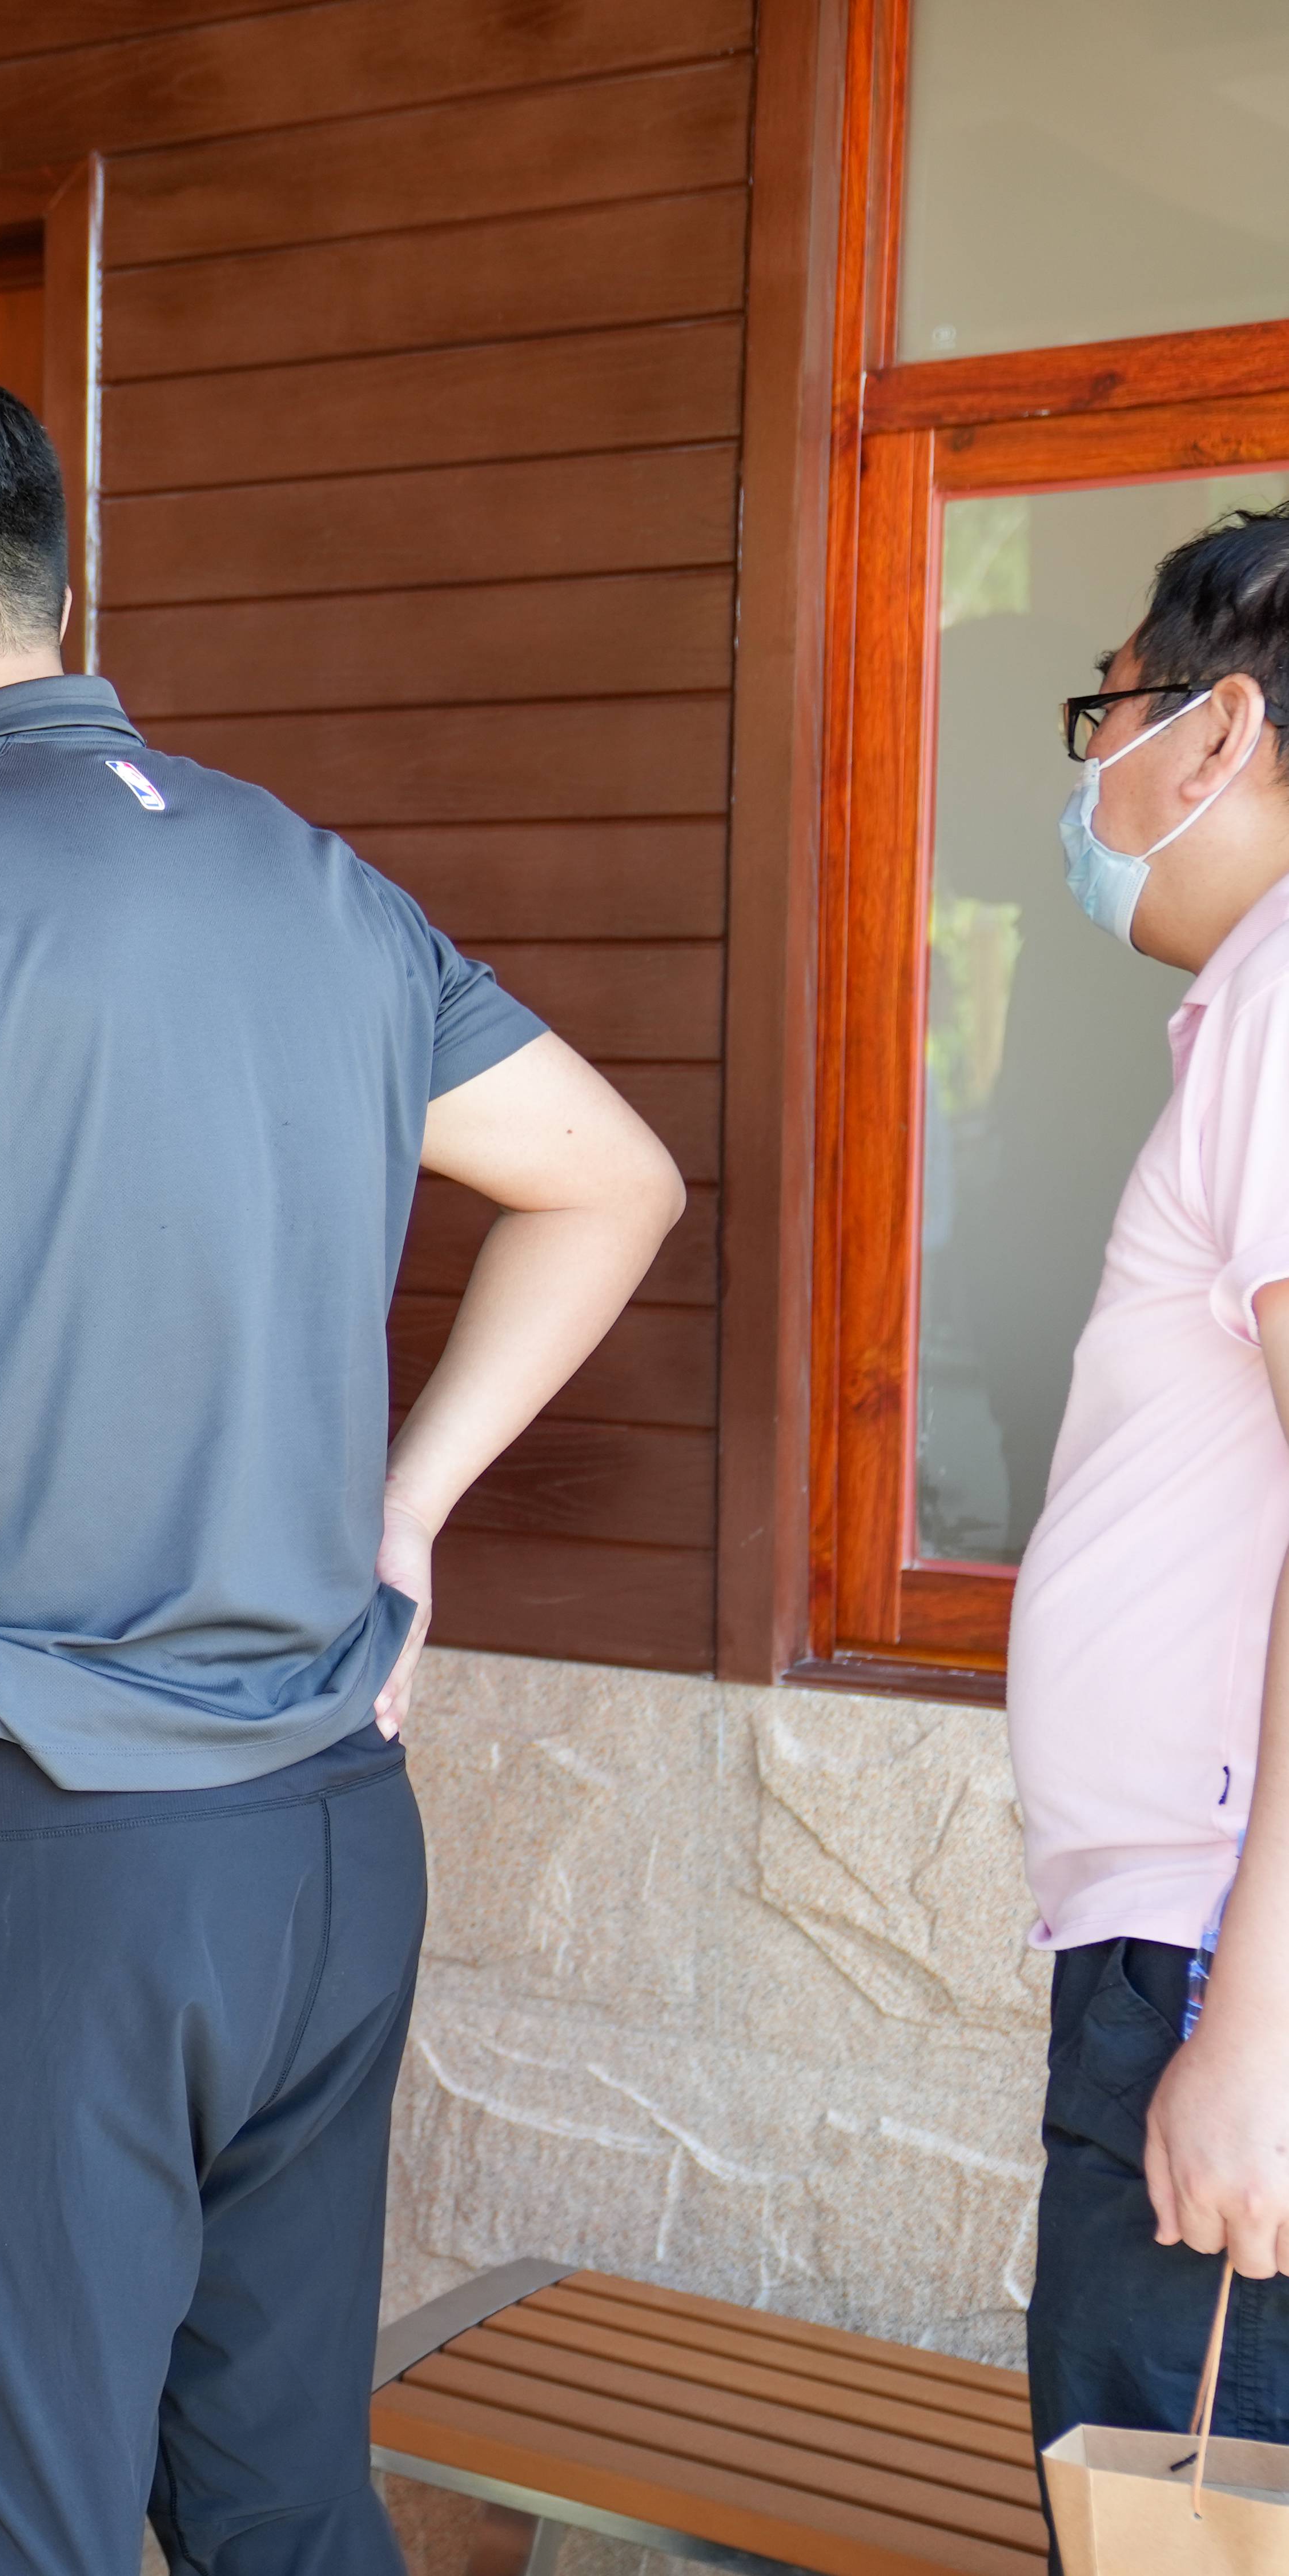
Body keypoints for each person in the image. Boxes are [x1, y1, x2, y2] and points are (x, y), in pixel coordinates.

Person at [0, 354, 684, 2575]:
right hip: (322, 1841)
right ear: (47, 592)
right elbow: (614, 1180)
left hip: (31, 1842)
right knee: (280, 2501)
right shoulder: (309, 876)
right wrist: (403, 1512)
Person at [1006, 507, 1289, 2455]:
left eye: (1106, 710)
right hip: (1202, 1925)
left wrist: (1255, 2019)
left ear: (1222, 733)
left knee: (1176, 2510)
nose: (1091, 770)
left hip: (1218, 1942)